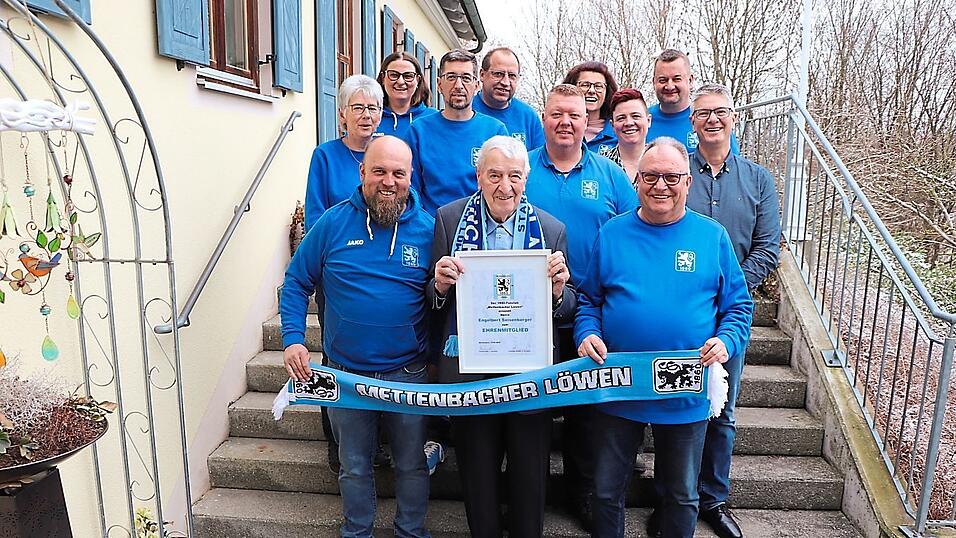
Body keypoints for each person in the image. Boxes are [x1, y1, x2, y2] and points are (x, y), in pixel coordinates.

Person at [575, 137, 753, 538]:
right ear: (637, 180)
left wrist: (726, 341)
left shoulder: (712, 237)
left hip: (685, 387)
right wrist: (587, 334)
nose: (661, 185)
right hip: (620, 383)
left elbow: (739, 308)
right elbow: (589, 301)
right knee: (606, 491)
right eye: (651, 176)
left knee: (682, 494)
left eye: (671, 177)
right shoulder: (613, 233)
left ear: (688, 182)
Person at [281, 136, 434, 538]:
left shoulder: (430, 229)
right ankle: (357, 532)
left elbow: (444, 299)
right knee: (353, 465)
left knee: (412, 464)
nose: (389, 181)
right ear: (362, 172)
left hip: (409, 373)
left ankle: (411, 532)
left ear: (410, 176)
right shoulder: (331, 222)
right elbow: (297, 282)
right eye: (379, 171)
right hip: (345, 376)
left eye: (398, 173)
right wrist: (294, 339)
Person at [427, 135, 576, 538]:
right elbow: (429, 299)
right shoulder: (448, 220)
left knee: (530, 482)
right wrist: (440, 287)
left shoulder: (551, 229)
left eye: (513, 176)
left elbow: (569, 306)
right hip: (470, 374)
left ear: (526, 180)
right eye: (494, 175)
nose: (504, 186)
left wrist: (559, 292)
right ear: (478, 176)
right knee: (477, 481)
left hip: (529, 377)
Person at [525, 83, 637, 530]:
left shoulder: (609, 175)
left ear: (587, 121)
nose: (565, 122)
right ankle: (525, 494)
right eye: (556, 114)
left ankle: (582, 494)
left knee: (587, 411)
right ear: (545, 118)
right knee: (527, 407)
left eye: (574, 114)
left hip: (591, 313)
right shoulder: (523, 169)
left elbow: (634, 229)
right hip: (527, 314)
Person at [687, 83, 781, 538]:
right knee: (675, 406)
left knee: (722, 411)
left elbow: (767, 248)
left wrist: (729, 289)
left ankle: (713, 497)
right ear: (692, 122)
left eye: (720, 112)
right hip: (680, 308)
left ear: (733, 118)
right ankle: (677, 495)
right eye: (703, 113)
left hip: (730, 314)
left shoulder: (759, 179)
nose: (712, 120)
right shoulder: (674, 173)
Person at [407, 49, 509, 215]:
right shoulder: (419, 131)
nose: (459, 86)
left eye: (466, 78)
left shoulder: (495, 131)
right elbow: (411, 190)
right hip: (431, 230)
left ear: (476, 85)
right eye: (451, 77)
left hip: (480, 231)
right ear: (439, 84)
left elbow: (503, 189)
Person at [305, 74, 383, 230]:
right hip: (338, 247)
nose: (366, 115)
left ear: (380, 115)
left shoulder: (388, 154)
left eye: (372, 108)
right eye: (358, 108)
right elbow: (314, 218)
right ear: (342, 114)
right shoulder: (325, 156)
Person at [646, 49, 740, 154]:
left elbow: (733, 164)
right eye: (663, 80)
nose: (669, 86)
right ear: (653, 82)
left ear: (690, 81)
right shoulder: (642, 122)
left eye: (677, 79)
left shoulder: (709, 121)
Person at [472, 46, 545, 150]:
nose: (505, 82)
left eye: (512, 76)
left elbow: (539, 160)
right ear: (482, 75)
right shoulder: (467, 111)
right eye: (498, 74)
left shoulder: (528, 117)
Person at [375, 51, 437, 142]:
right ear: (383, 78)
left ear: (418, 80)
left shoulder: (434, 119)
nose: (400, 82)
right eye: (394, 75)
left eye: (408, 76)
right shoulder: (370, 118)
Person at [562, 62, 619, 157]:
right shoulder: (556, 131)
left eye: (598, 86)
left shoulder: (618, 134)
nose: (592, 91)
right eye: (585, 85)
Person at [606, 88, 652, 183]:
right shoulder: (600, 165)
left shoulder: (662, 162)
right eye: (621, 118)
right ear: (612, 125)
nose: (629, 123)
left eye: (635, 116)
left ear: (648, 121)